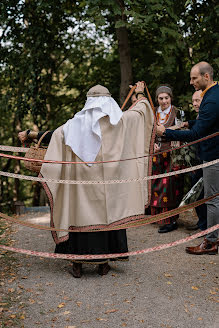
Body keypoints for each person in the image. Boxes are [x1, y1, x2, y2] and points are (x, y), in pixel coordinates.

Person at [18, 82, 155, 276]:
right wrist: (139, 93)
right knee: (109, 214)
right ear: (109, 101)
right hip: (110, 185)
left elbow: (54, 135)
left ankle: (78, 264)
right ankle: (103, 263)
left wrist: (32, 135)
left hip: (81, 187)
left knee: (79, 215)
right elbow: (141, 113)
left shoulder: (73, 125)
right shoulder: (121, 122)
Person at [156, 61, 219, 255]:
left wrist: (166, 132)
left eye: (194, 78)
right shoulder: (213, 94)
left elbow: (197, 134)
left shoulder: (211, 99)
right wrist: (187, 123)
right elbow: (208, 123)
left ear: (206, 77)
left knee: (212, 200)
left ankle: (211, 242)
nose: (191, 82)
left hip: (213, 156)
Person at [150, 85, 184, 233]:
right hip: (156, 154)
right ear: (157, 99)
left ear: (171, 98)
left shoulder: (178, 113)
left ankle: (171, 220)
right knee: (156, 184)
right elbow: (148, 132)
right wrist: (151, 145)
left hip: (172, 153)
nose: (164, 101)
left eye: (166, 98)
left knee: (170, 186)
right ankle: (159, 217)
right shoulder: (152, 113)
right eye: (161, 98)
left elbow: (183, 131)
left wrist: (176, 151)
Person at [186, 90, 207, 231]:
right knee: (196, 193)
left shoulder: (209, 116)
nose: (194, 104)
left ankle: (205, 227)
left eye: (197, 100)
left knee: (202, 194)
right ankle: (201, 223)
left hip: (204, 160)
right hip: (196, 160)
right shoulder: (200, 116)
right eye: (193, 101)